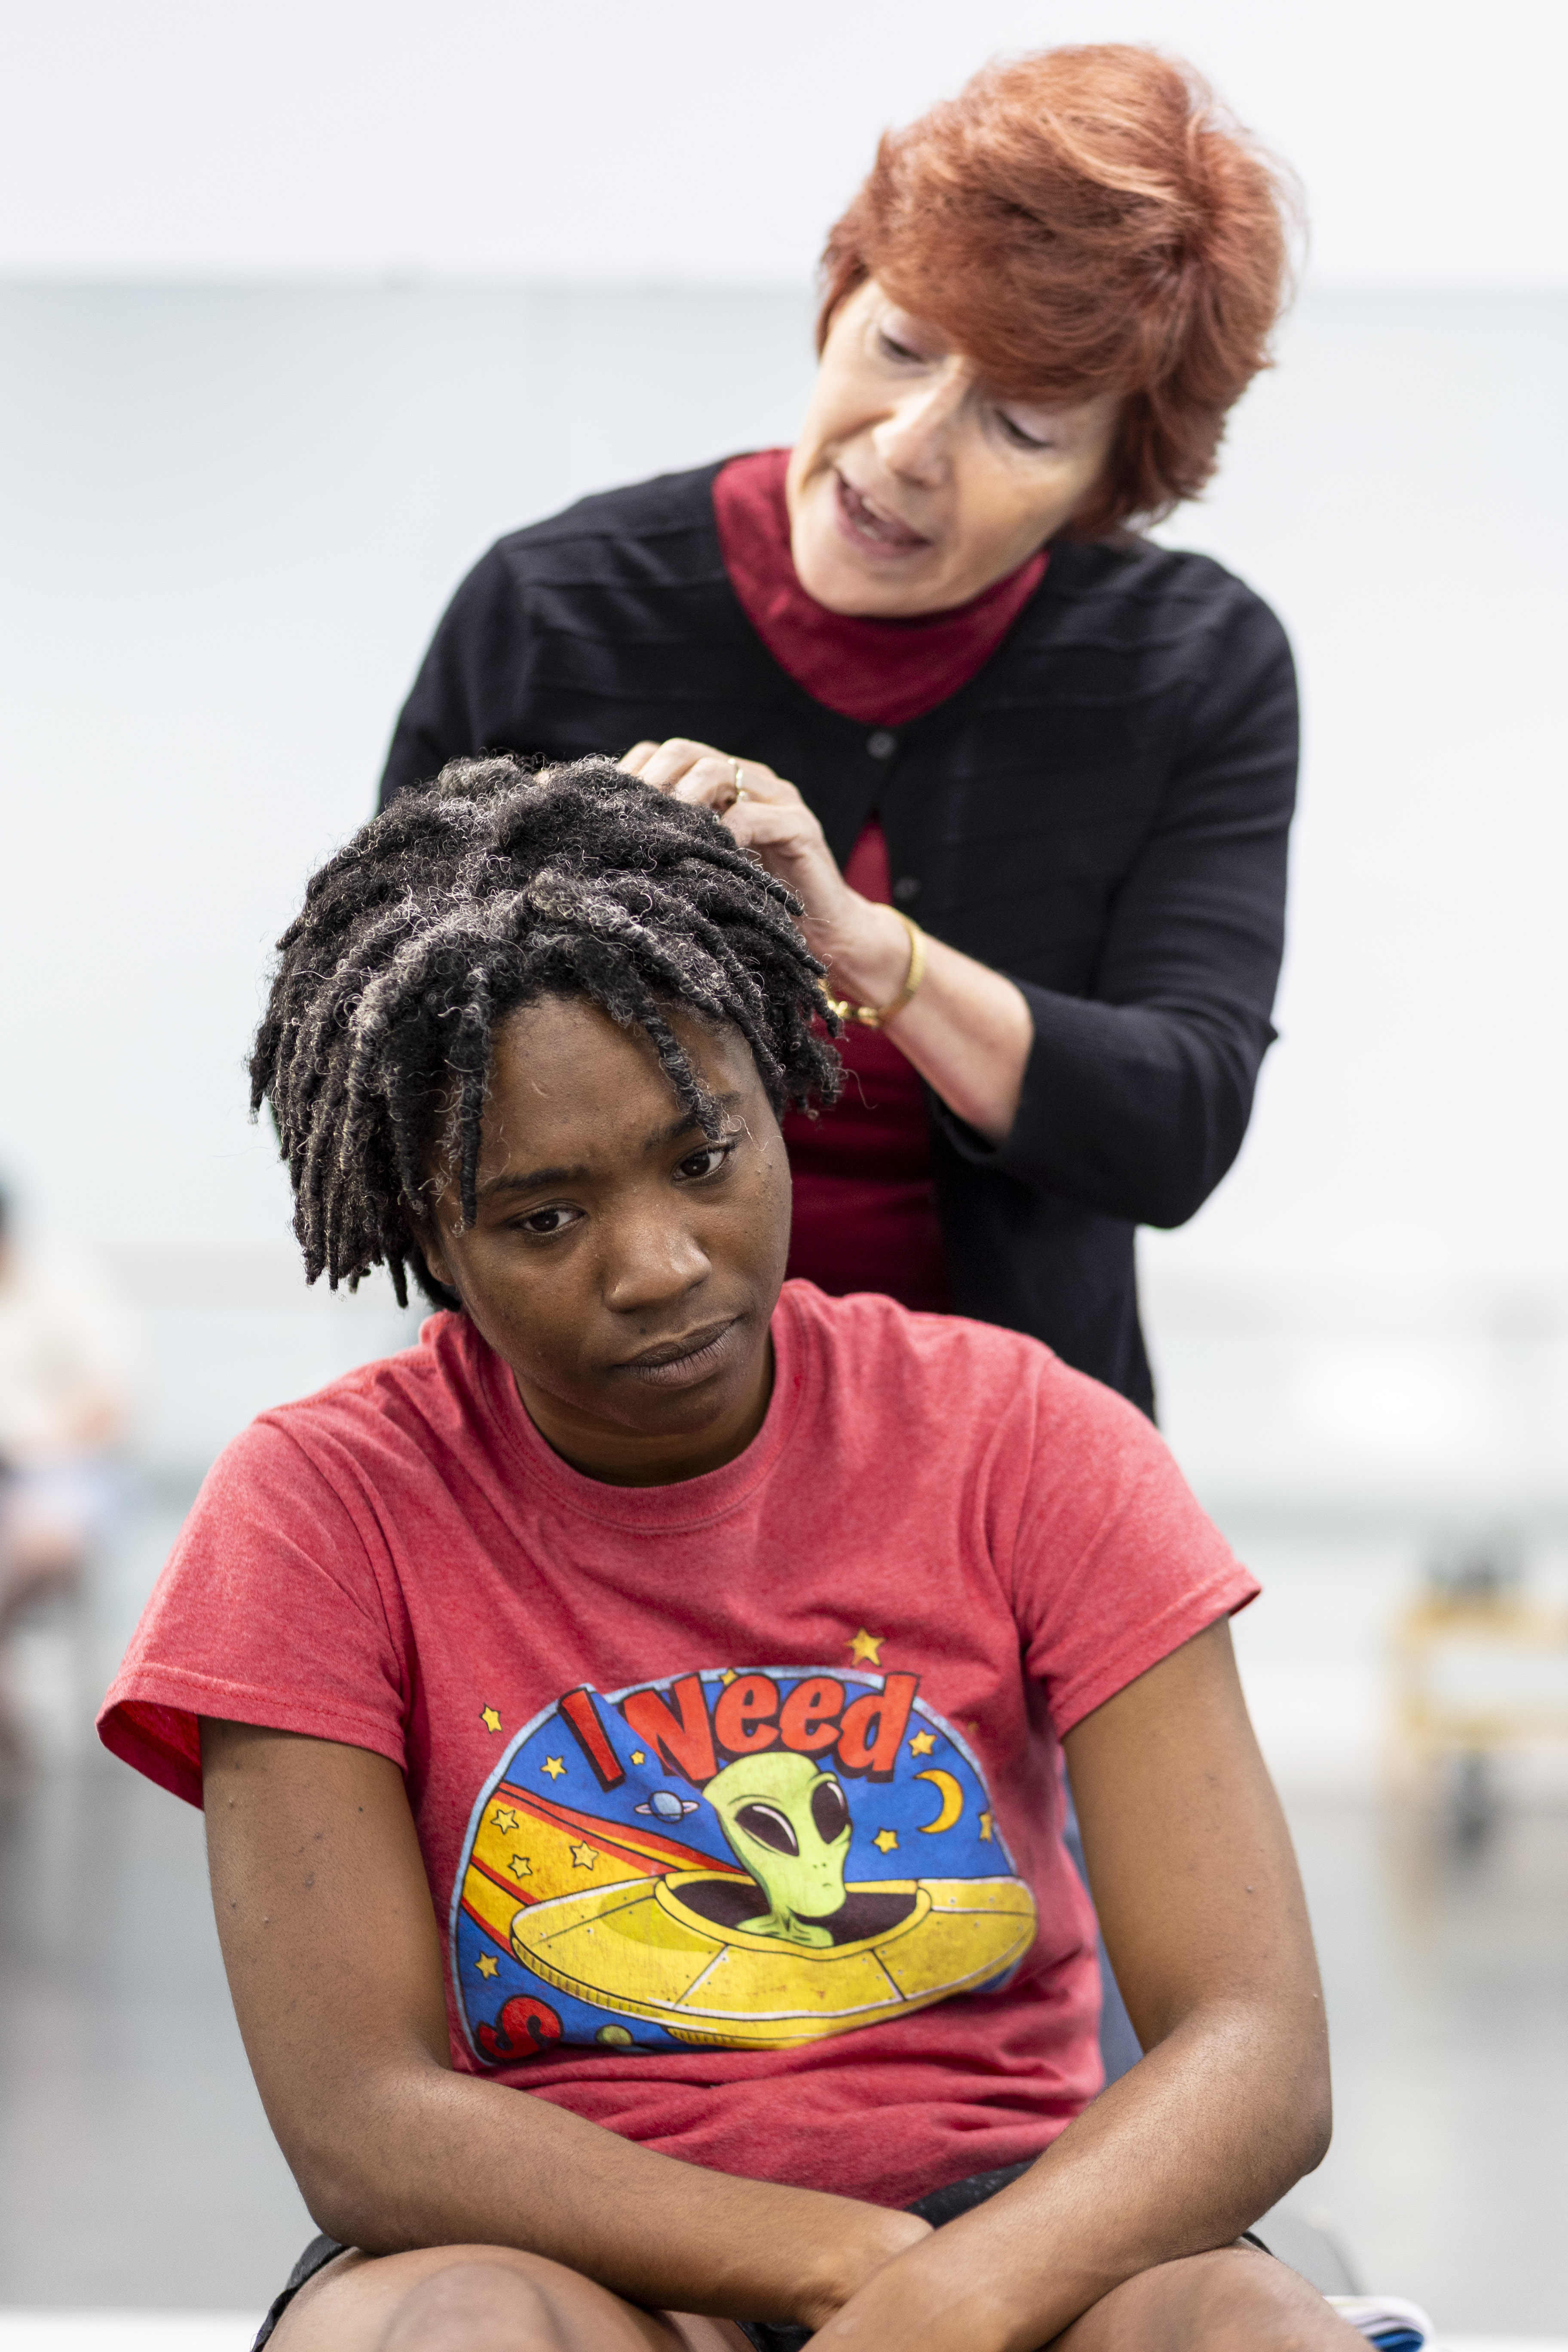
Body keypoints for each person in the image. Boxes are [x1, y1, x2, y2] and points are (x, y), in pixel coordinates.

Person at [100, 760, 1363, 2352]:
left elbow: (1257, 2045)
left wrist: (949, 2299)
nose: (657, 1266)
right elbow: (362, 2119)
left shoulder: (1028, 1437)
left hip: (1015, 2227)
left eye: (702, 1160)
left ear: (783, 1094)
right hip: (555, 2240)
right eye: (541, 1220)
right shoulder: (317, 1505)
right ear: (426, 1230)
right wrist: (841, 2275)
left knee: (1249, 2328)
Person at [378, 44, 1300, 1417]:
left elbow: (1171, 1128)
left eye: (1024, 427)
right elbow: (380, 1074)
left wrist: (869, 948)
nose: (908, 446)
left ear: (1117, 482)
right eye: (901, 345)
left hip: (997, 1444)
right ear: (842, 296)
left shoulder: (1192, 665)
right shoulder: (553, 606)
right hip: (578, 1439)